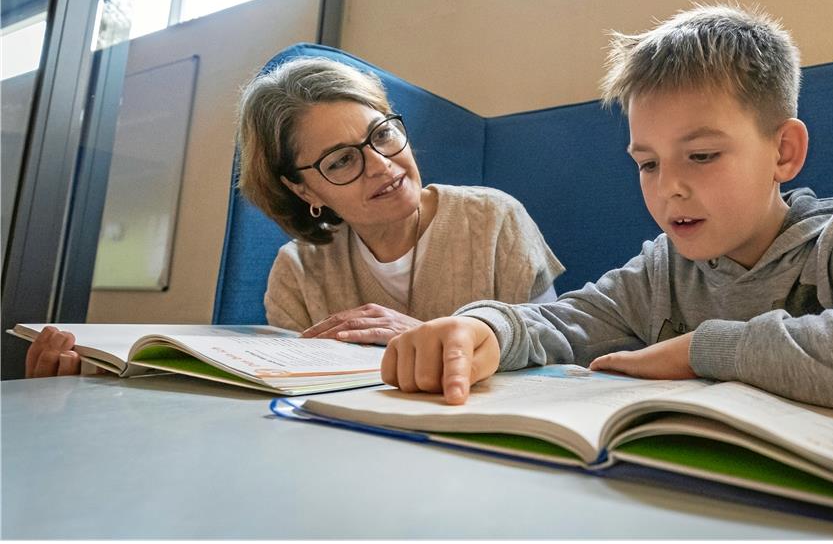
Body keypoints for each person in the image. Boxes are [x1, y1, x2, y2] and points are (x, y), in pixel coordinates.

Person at [379, 3, 833, 426]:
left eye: (702, 155)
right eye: (648, 163)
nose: (669, 190)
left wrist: (707, 351)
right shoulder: (662, 270)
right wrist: (483, 328)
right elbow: (562, 322)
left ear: (783, 151)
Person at [25, 56, 564, 378]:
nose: (382, 165)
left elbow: (556, 361)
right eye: (342, 160)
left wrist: (439, 339)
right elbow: (284, 387)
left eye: (382, 134)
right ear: (302, 187)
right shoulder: (298, 270)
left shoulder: (493, 220)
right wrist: (94, 381)